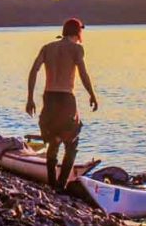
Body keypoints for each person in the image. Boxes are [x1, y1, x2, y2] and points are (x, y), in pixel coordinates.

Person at [25, 18, 98, 192]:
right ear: (78, 32)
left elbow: (33, 71)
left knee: (53, 139)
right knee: (71, 142)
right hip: (66, 98)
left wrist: (30, 98)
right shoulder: (77, 49)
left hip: (49, 97)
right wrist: (92, 95)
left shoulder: (47, 47)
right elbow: (83, 73)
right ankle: (61, 184)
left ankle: (51, 182)